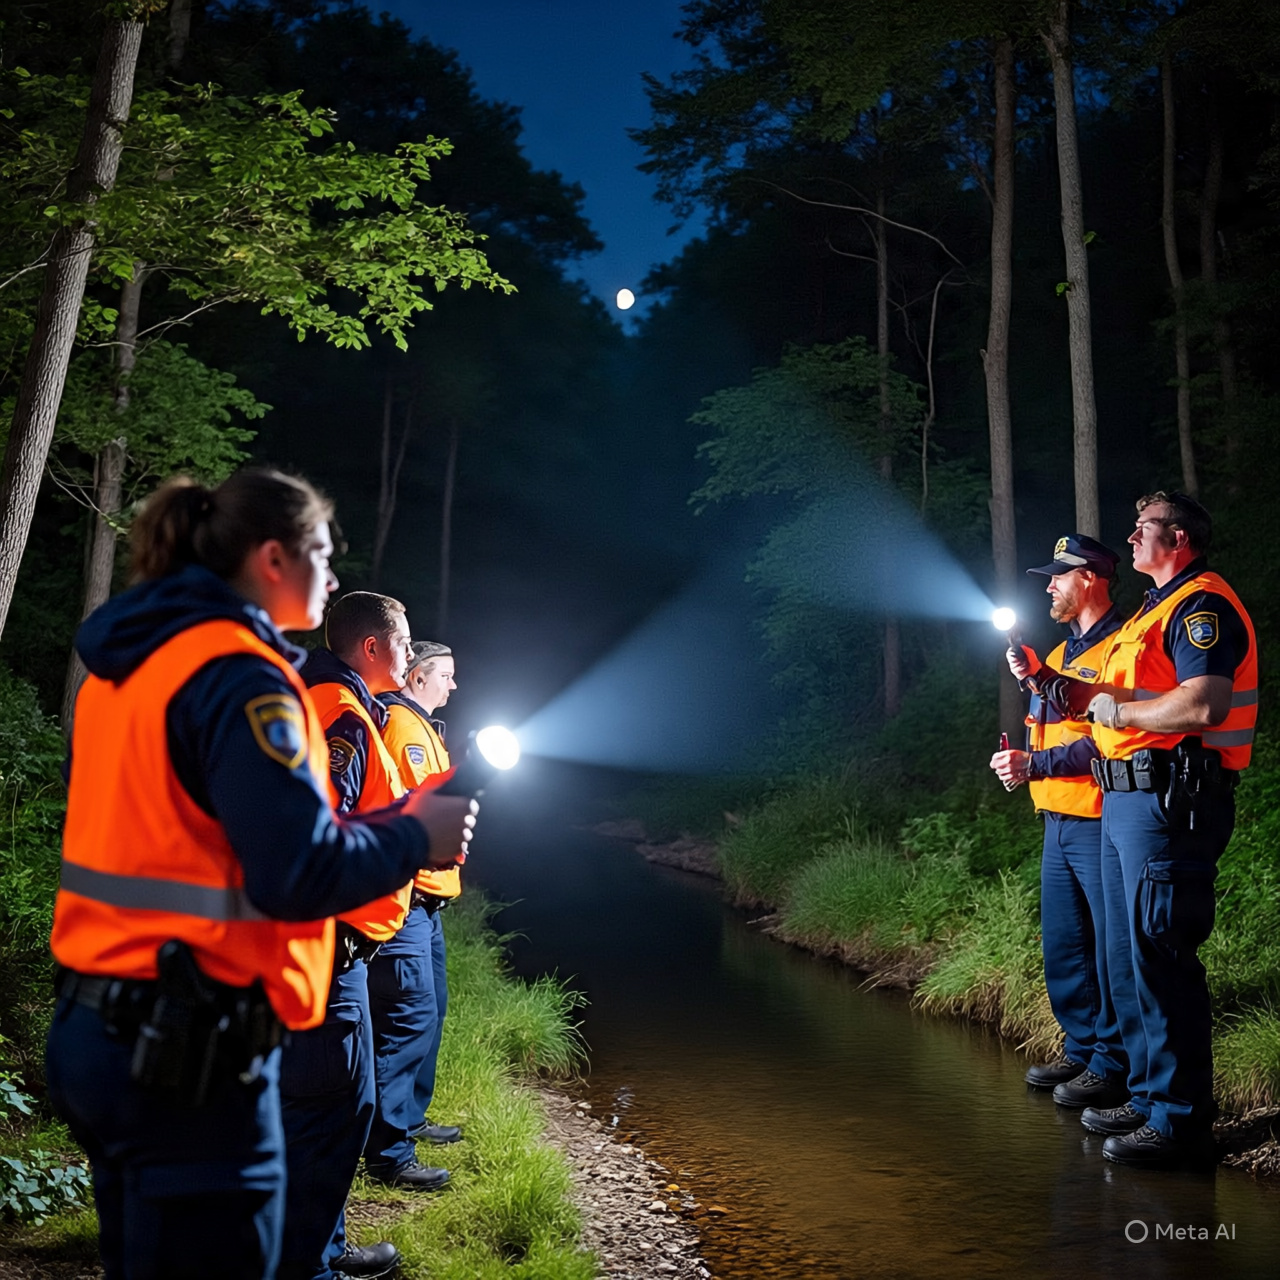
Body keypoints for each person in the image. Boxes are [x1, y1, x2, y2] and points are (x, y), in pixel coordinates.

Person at [45, 470, 474, 1280]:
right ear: (273, 558)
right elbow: (296, 868)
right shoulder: (240, 678)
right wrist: (413, 838)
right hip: (187, 1050)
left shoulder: (124, 669)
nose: (336, 577)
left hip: (96, 1020)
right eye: (324, 553)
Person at [1078, 491, 1256, 1168]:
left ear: (1177, 538)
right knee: (1134, 956)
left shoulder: (1200, 604)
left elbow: (1204, 701)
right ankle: (1152, 1097)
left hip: (1170, 802)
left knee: (1162, 950)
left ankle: (1181, 1121)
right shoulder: (1157, 608)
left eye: (1142, 527)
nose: (1129, 537)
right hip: (1133, 801)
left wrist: (1121, 717)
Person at [279, 593, 447, 1280]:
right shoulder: (339, 714)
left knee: (336, 1104)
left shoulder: (347, 707)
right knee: (330, 1107)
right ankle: (310, 1266)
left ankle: (320, 1249)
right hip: (326, 949)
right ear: (372, 648)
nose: (412, 657)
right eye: (405, 643)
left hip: (335, 948)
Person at [989, 535, 1128, 1114]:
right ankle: (1081, 1047)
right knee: (1066, 947)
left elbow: (1105, 739)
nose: (1049, 586)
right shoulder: (1061, 655)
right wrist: (1031, 683)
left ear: (1090, 579)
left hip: (1099, 817)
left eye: (1058, 577)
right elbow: (1048, 722)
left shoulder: (1122, 643)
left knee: (1108, 949)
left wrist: (1034, 764)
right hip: (1057, 819)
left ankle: (1112, 1064)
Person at [378, 641, 461, 1137]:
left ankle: (408, 1118)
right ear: (417, 677)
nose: (453, 684)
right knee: (409, 1015)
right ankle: (388, 1140)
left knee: (430, 1011)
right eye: (446, 675)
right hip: (409, 895)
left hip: (428, 899)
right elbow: (416, 808)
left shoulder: (424, 728)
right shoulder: (403, 727)